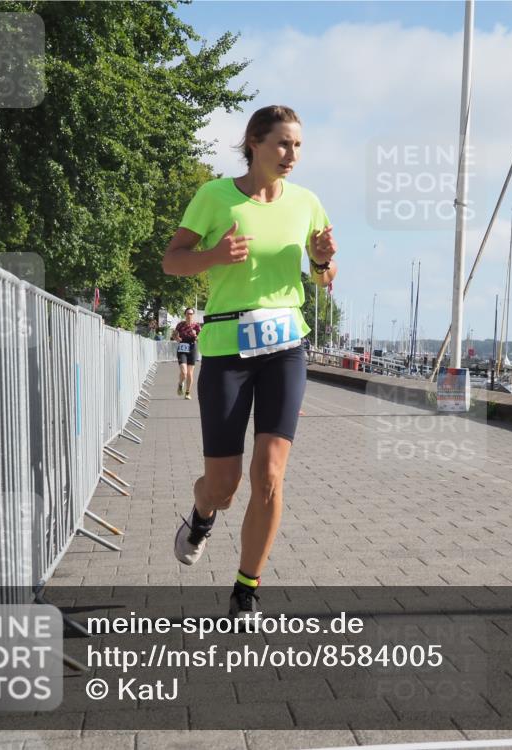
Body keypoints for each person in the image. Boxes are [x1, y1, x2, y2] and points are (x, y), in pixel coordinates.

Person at [161, 105, 337, 617]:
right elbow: (173, 261)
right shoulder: (214, 196)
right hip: (226, 348)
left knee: (270, 474)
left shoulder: (307, 203)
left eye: (298, 146)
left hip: (285, 345)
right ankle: (200, 514)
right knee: (224, 485)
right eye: (283, 144)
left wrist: (323, 261)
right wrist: (213, 256)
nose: (292, 155)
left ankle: (246, 589)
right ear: (255, 143)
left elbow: (326, 278)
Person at [171, 308, 202, 398]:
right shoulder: (180, 325)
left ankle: (187, 392)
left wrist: (195, 335)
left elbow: (200, 338)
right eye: (188, 313)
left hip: (192, 348)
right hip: (182, 348)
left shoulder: (196, 326)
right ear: (185, 314)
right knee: (184, 372)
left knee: (190, 373)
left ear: (193, 315)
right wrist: (177, 339)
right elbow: (174, 335)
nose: (190, 315)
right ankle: (180, 384)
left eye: (191, 314)